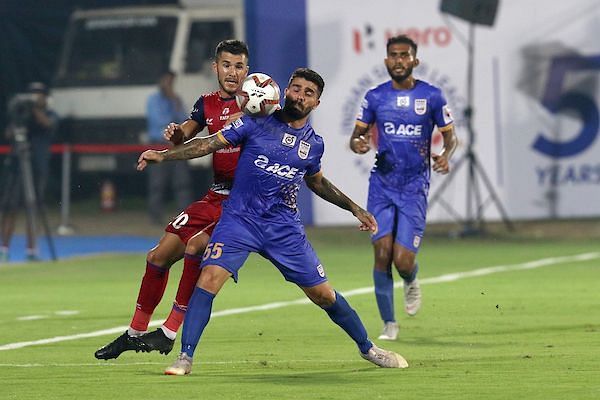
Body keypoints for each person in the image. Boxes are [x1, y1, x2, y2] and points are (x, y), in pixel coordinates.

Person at [137, 68, 409, 375]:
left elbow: (317, 182)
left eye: (308, 93)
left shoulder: (314, 144)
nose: (300, 95)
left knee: (323, 295)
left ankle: (368, 348)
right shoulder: (255, 122)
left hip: (283, 228)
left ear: (316, 103)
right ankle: (185, 358)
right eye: (296, 88)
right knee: (209, 278)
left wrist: (355, 208)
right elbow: (208, 143)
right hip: (240, 219)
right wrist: (164, 155)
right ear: (285, 91)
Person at [94, 40, 250, 359]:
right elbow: (188, 135)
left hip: (242, 204)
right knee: (157, 256)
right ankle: (135, 333)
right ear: (215, 67)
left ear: (247, 70)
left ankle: (169, 330)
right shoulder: (206, 104)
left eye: (239, 66)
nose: (232, 72)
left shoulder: (258, 105)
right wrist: (173, 139)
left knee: (195, 247)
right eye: (226, 65)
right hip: (214, 196)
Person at [349, 35, 458, 341]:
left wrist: (445, 156)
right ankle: (389, 324)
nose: (398, 60)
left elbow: (451, 137)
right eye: (393, 55)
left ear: (415, 60)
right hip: (381, 185)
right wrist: (359, 143)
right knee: (381, 254)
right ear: (386, 61)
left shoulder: (432, 96)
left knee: (402, 260)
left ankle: (410, 279)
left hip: (414, 187)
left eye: (404, 55)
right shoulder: (374, 97)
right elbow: (356, 136)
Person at [0, 82, 58, 262]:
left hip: (37, 166)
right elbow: (9, 134)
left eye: (39, 94)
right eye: (32, 94)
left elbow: (47, 125)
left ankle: (32, 250)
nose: (35, 97)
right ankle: (4, 249)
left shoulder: (49, 114)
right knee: (10, 207)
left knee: (34, 207)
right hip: (18, 163)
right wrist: (19, 115)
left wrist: (33, 110)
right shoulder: (22, 114)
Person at [145, 70, 193, 225]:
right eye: (167, 81)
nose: (169, 85)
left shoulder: (176, 100)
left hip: (176, 146)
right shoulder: (154, 100)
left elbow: (186, 122)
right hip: (158, 144)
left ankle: (185, 217)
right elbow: (159, 121)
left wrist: (176, 104)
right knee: (157, 184)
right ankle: (155, 217)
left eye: (171, 82)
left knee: (182, 183)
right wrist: (173, 117)